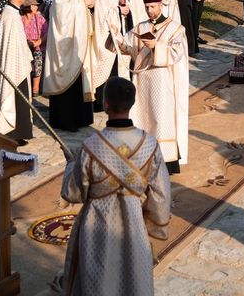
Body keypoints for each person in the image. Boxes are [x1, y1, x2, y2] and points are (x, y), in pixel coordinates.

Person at [55, 77, 171, 296]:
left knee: (97, 279)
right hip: (133, 222)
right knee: (133, 277)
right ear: (132, 103)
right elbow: (161, 194)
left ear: (105, 104)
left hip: (95, 225)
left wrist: (71, 165)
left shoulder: (90, 147)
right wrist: (156, 224)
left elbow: (73, 193)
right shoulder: (149, 144)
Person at [107, 0, 189, 173]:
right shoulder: (140, 27)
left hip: (163, 83)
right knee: (142, 117)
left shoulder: (176, 28)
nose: (149, 10)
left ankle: (166, 162)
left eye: (152, 6)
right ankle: (141, 159)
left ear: (160, 5)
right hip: (142, 81)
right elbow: (128, 47)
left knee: (160, 119)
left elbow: (177, 54)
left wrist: (156, 47)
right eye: (146, 7)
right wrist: (115, 35)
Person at [44, 0, 98, 132]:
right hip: (66, 40)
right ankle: (66, 120)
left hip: (80, 38)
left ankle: (81, 117)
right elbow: (61, 11)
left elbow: (82, 3)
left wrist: (89, 4)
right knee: (69, 78)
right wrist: (83, 3)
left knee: (80, 77)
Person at [0, 0, 33, 144]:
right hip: (13, 66)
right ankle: (12, 133)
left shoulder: (12, 13)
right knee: (14, 98)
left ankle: (18, 133)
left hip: (17, 63)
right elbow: (11, 45)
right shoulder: (10, 15)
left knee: (21, 99)